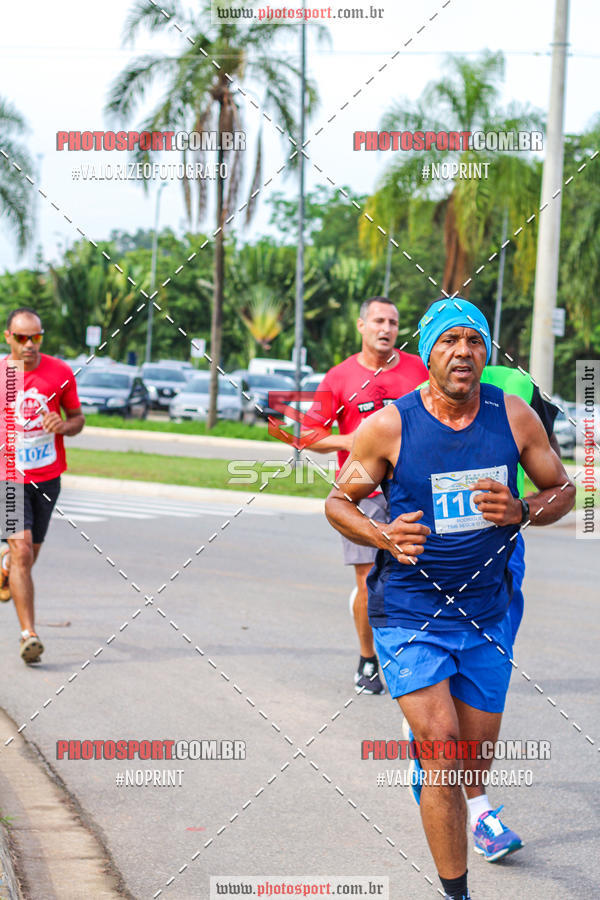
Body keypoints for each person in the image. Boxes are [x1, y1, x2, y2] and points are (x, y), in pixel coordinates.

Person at [324, 298, 575, 900]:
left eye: (474, 341)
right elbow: (337, 502)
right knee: (442, 752)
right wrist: (382, 534)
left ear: (486, 352)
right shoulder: (391, 425)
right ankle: (455, 893)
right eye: (449, 341)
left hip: (486, 614)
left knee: (469, 762)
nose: (463, 352)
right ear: (428, 351)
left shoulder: (513, 416)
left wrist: (522, 510)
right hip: (411, 612)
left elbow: (563, 490)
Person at [304, 296, 427, 694]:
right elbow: (308, 434)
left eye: (393, 322)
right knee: (368, 579)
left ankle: (419, 656)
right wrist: (349, 440)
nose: (386, 328)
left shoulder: (418, 369)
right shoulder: (339, 377)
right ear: (361, 326)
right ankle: (368, 658)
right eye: (378, 321)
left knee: (420, 572)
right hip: (362, 488)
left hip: (412, 486)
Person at [0, 307, 84, 663]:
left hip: (48, 476)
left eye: (36, 337)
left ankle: (5, 567)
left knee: (29, 555)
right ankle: (28, 635)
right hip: (8, 478)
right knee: (22, 551)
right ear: (8, 337)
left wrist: (64, 426)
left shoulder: (60, 372)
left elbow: (77, 418)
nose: (30, 344)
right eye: (22, 338)